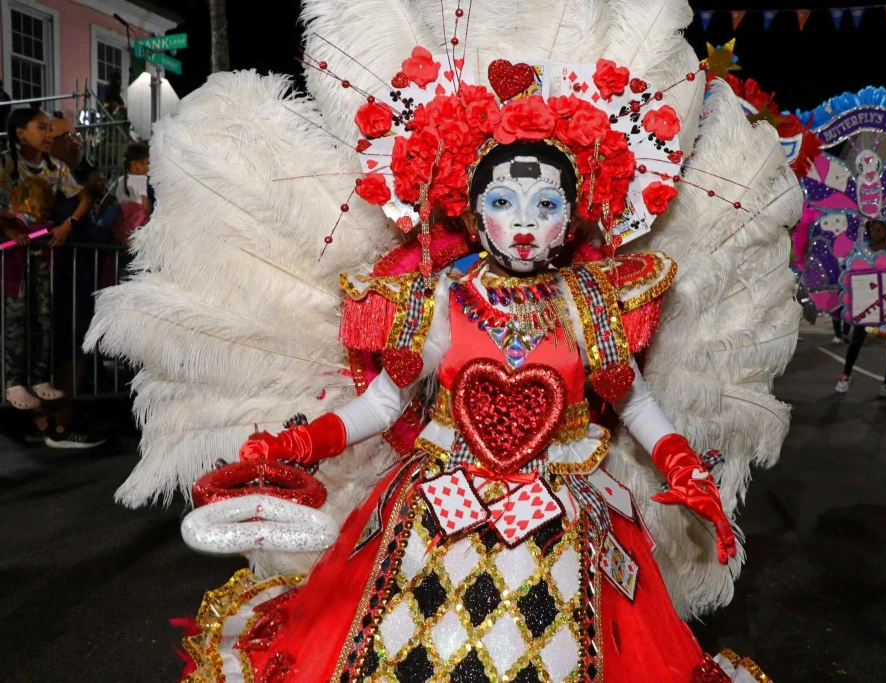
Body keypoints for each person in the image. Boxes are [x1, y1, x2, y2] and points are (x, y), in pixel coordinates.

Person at [86, 4, 801, 681]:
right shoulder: (432, 300)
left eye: (546, 204)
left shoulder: (596, 301)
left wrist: (680, 460)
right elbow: (381, 403)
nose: (524, 222)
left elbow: (630, 398)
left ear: (573, 211)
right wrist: (299, 444)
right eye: (503, 201)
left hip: (565, 515)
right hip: (434, 509)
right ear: (473, 207)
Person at [0, 108, 91, 410]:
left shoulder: (57, 168)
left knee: (43, 314)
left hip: (42, 250)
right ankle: (13, 382)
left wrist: (68, 225)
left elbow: (84, 198)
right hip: (11, 253)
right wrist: (9, 226)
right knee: (15, 317)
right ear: (20, 132)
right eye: (42, 128)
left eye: (51, 129)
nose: (49, 135)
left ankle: (39, 378)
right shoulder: (5, 163)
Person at [835, 218, 886, 398]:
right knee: (857, 341)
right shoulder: (860, 253)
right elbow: (849, 272)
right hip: (866, 305)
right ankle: (845, 376)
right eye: (874, 228)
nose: (878, 231)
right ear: (869, 231)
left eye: (882, 228)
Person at [114, 142, 151, 238]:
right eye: (148, 163)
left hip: (122, 225)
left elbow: (107, 201)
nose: (150, 167)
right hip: (138, 225)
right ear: (136, 165)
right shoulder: (144, 180)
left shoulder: (120, 180)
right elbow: (146, 207)